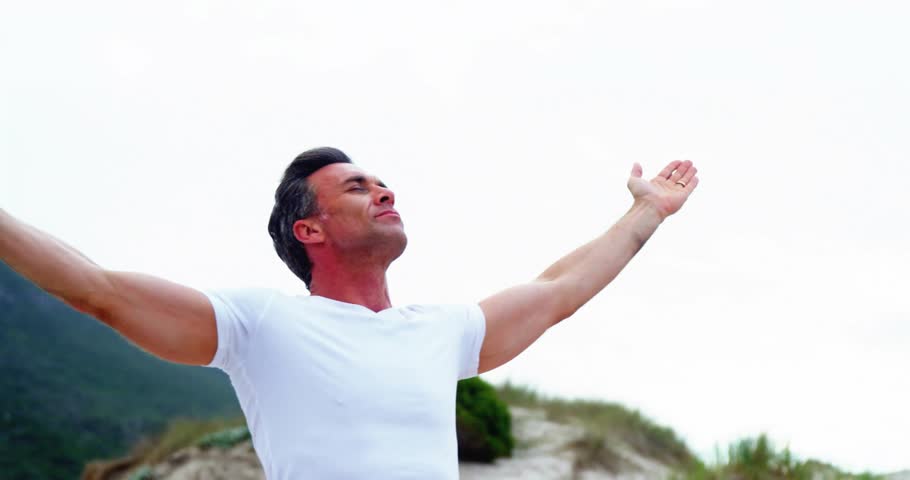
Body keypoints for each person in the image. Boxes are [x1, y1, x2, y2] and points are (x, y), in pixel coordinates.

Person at [0, 146, 699, 479]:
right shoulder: (258, 324)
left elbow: (559, 290)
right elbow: (95, 289)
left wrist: (645, 214)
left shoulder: (439, 331)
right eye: (358, 188)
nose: (384, 192)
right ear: (310, 231)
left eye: (384, 183)